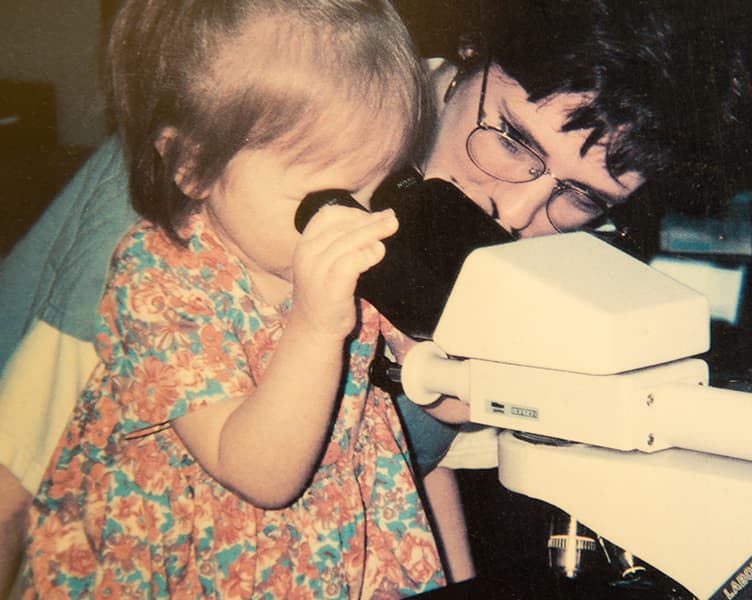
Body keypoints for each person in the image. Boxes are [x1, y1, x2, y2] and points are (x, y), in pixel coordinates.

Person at [2, 0, 752, 595]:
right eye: (513, 140)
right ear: (468, 52)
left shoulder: (518, 250)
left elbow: (406, 460)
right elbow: (13, 476)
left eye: (581, 197)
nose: (514, 215)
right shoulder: (225, 173)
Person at [18, 0, 450, 597]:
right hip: (204, 562)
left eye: (380, 185)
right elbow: (261, 474)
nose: (363, 217)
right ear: (192, 165)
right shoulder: (157, 279)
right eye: (329, 198)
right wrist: (316, 328)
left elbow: (451, 401)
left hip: (340, 546)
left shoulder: (347, 241)